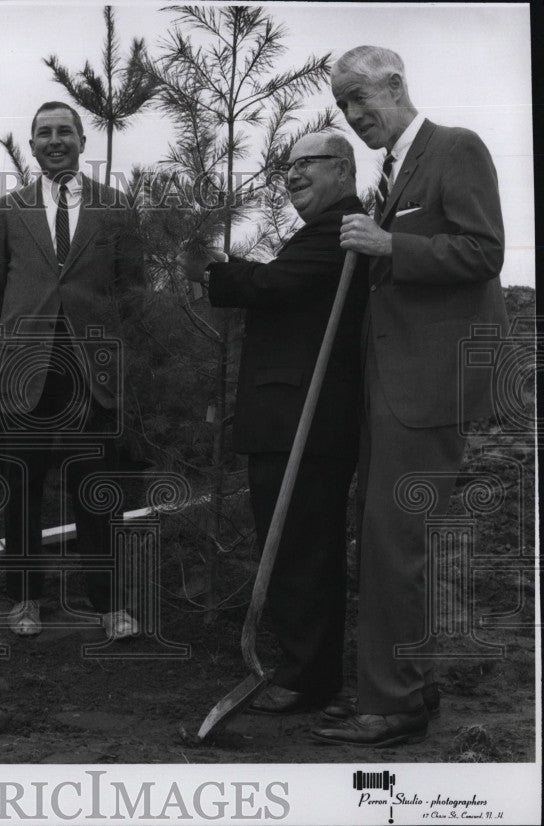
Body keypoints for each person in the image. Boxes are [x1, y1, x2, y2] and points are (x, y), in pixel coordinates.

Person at [311, 46, 508, 747]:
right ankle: (402, 685)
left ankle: (391, 703)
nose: (353, 115)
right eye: (342, 105)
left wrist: (391, 246)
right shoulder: (390, 174)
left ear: (395, 85)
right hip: (391, 384)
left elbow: (486, 251)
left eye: (359, 99)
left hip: (429, 386)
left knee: (397, 543)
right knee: (393, 541)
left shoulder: (456, 148)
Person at [183, 132, 369, 715]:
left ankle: (309, 676)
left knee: (302, 548)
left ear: (342, 169)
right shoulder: (323, 230)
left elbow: (274, 285)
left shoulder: (341, 227)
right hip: (288, 415)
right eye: (286, 167)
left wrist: (219, 269)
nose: (291, 175)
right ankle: (303, 664)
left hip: (304, 419)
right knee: (292, 543)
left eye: (306, 164)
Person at [0, 101, 145, 641]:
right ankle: (25, 599)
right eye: (44, 133)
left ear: (81, 140)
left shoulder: (116, 209)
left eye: (65, 132)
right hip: (26, 371)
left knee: (96, 488)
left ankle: (108, 604)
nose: (55, 140)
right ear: (31, 147)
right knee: (22, 488)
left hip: (91, 370)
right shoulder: (5, 213)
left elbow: (131, 291)